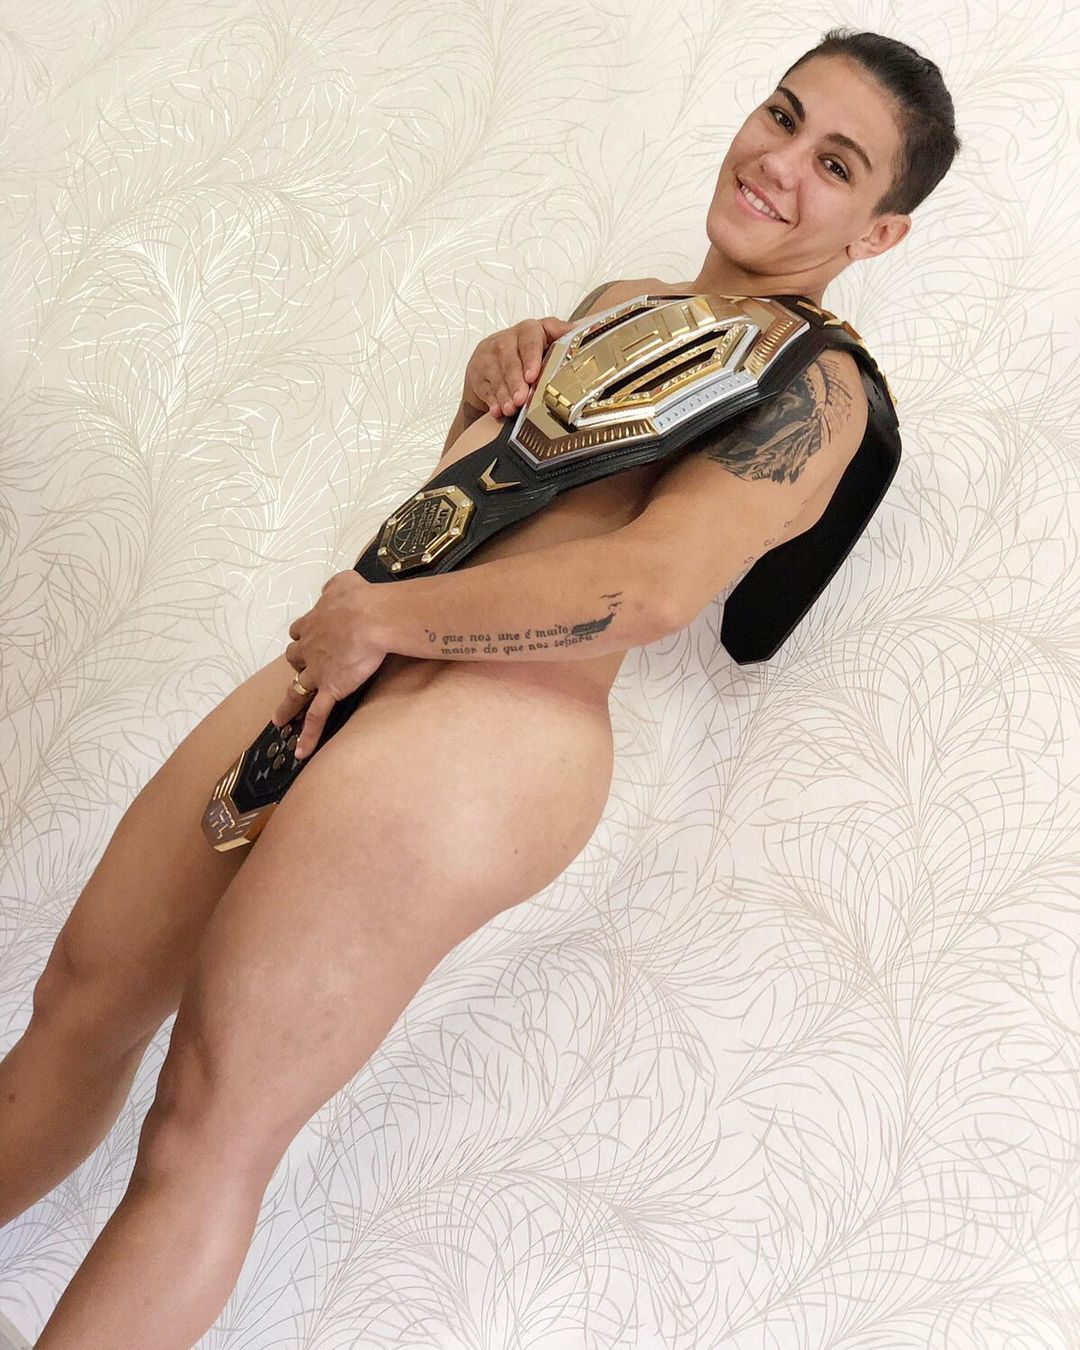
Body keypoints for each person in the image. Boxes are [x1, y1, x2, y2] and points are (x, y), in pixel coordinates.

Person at [1, 26, 960, 1347]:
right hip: (364, 653)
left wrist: (383, 618)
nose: (782, 162)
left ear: (879, 233)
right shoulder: (624, 300)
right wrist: (477, 398)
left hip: (497, 733)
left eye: (838, 164)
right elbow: (489, 515)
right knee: (81, 996)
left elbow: (654, 585)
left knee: (204, 1126)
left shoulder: (823, 386)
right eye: (783, 116)